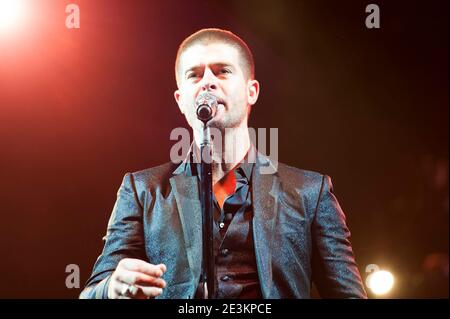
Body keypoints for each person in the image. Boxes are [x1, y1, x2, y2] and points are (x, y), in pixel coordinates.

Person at [79, 28, 367, 299]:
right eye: (194, 75)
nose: (207, 81)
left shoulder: (310, 192)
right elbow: (91, 292)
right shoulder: (142, 190)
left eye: (222, 71)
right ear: (181, 100)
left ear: (251, 91)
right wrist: (110, 288)